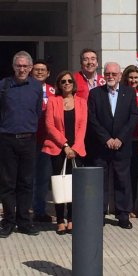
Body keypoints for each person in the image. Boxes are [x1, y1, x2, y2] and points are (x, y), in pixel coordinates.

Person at [87, 62, 138, 229]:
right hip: (101, 146)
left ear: (119, 75)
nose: (110, 76)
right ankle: (98, 214)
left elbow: (133, 117)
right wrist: (106, 139)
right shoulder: (95, 94)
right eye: (107, 73)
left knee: (123, 181)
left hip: (122, 146)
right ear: (103, 75)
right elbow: (92, 119)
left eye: (113, 74)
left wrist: (120, 138)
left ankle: (123, 215)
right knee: (100, 182)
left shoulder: (130, 93)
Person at [0, 51, 42, 238]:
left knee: (26, 182)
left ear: (31, 67)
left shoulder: (36, 87)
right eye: (19, 66)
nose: (22, 69)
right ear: (13, 66)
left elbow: (37, 112)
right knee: (7, 183)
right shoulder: (3, 85)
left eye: (25, 66)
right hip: (7, 139)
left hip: (28, 139)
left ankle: (24, 221)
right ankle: (8, 221)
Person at [42, 71, 87, 235]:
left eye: (69, 81)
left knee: (74, 186)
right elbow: (49, 126)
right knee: (60, 185)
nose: (66, 83)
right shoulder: (53, 102)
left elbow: (83, 127)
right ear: (59, 85)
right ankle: (60, 219)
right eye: (63, 81)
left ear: (73, 84)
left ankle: (73, 219)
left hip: (76, 151)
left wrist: (74, 147)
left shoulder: (81, 102)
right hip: (58, 149)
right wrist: (65, 145)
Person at [120, 65, 138, 218]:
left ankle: (131, 206)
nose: (133, 80)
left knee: (133, 174)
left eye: (136, 78)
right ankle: (123, 206)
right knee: (123, 174)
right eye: (130, 77)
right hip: (124, 139)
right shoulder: (122, 93)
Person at [31, 59, 55, 223]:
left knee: (42, 178)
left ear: (48, 73)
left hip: (47, 142)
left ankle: (39, 211)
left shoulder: (54, 91)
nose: (40, 72)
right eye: (37, 69)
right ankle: (23, 211)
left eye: (43, 70)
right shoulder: (26, 88)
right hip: (28, 141)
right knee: (26, 178)